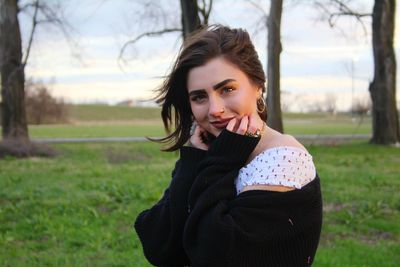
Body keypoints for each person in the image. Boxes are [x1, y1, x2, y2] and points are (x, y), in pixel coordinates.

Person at [134, 25, 322, 267]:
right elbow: (159, 247)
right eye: (199, 97)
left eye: (227, 89)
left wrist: (220, 162)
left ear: (257, 86)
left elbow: (215, 254)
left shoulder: (283, 159)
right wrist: (192, 164)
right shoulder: (211, 152)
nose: (214, 110)